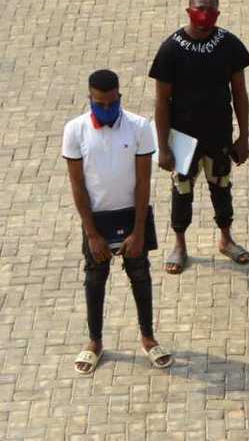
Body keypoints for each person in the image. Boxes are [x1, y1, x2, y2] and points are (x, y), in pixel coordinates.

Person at [63, 69, 172, 375]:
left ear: (119, 97)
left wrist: (138, 231)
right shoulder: (75, 130)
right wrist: (92, 233)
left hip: (130, 213)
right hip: (96, 218)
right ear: (90, 99)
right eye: (100, 103)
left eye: (112, 102)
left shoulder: (139, 127)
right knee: (95, 279)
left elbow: (143, 182)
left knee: (140, 275)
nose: (107, 109)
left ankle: (148, 338)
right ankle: (95, 341)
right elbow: (77, 186)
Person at [149, 0, 249, 274]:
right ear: (188, 10)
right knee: (182, 191)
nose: (204, 14)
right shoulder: (171, 49)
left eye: (210, 9)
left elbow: (240, 93)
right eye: (199, 8)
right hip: (183, 139)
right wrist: (163, 146)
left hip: (218, 135)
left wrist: (243, 136)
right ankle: (180, 245)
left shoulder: (228, 44)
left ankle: (226, 239)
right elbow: (161, 100)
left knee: (221, 186)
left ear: (217, 13)